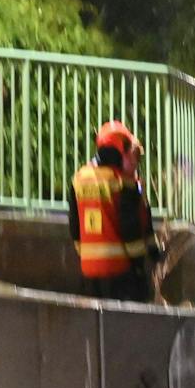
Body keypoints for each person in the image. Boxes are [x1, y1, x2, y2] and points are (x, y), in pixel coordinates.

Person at [68, 120, 158, 302]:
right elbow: (130, 228)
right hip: (121, 271)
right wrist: (140, 265)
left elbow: (74, 225)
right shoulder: (123, 183)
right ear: (118, 149)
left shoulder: (79, 179)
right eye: (128, 150)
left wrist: (85, 253)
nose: (133, 158)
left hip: (89, 272)